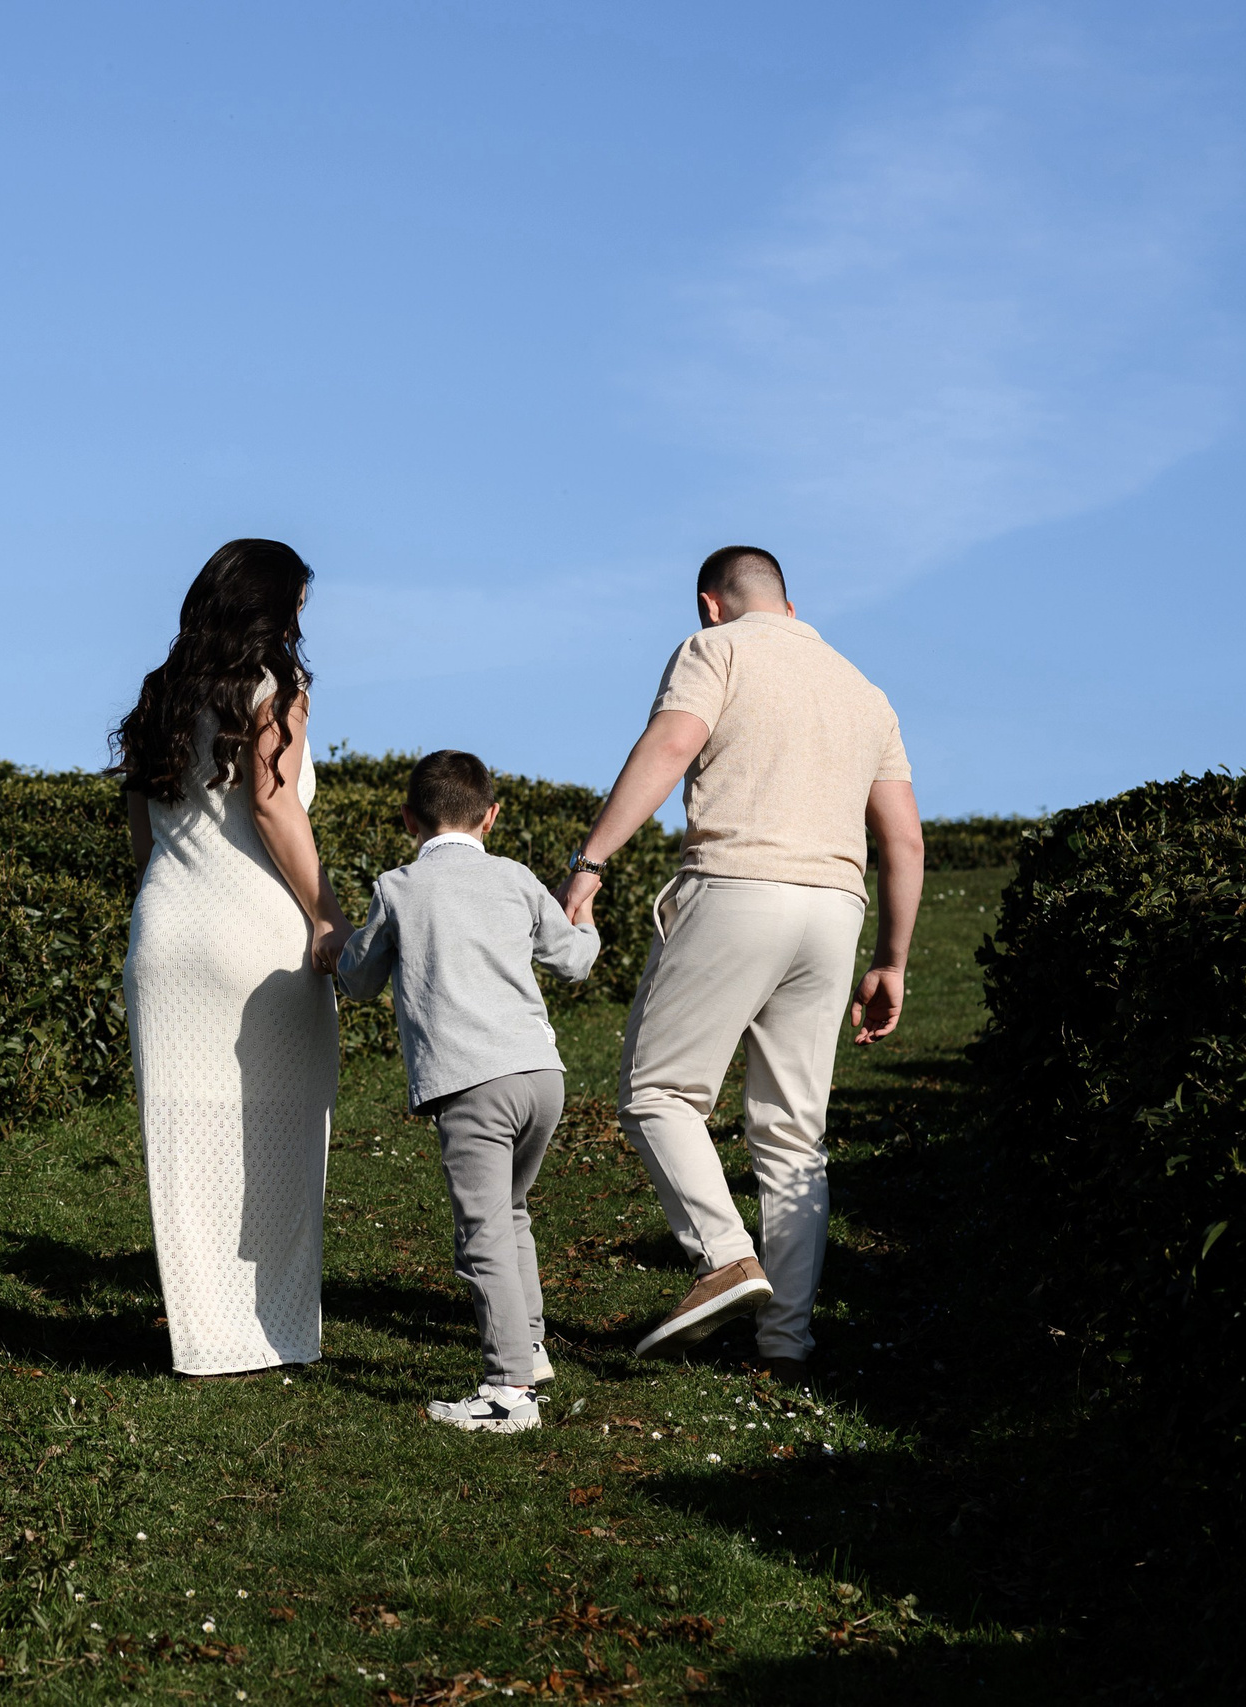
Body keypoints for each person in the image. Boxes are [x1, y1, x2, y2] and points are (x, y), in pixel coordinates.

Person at [554, 547, 923, 1382]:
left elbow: (671, 744)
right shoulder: (865, 692)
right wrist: (892, 961)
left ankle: (724, 1255)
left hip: (735, 887)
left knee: (659, 1092)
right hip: (836, 909)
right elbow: (901, 838)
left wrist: (591, 860)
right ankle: (786, 1343)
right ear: (789, 604)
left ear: (709, 603)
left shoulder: (714, 650)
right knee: (795, 1135)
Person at [116, 539, 350, 1377]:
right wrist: (327, 915)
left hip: (167, 927)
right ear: (275, 607)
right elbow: (275, 803)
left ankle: (203, 1336)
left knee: (182, 1135)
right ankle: (272, 1329)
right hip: (252, 932)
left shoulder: (158, 695)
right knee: (280, 1131)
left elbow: (143, 835)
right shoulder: (275, 690)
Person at [338, 751, 599, 1432]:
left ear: (407, 819)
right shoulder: (514, 878)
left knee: (481, 1232)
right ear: (492, 815)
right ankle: (530, 1346)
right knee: (509, 1212)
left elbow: (360, 980)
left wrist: (336, 945)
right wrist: (587, 912)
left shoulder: (398, 887)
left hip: (470, 1081)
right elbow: (574, 960)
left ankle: (508, 1390)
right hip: (542, 1076)